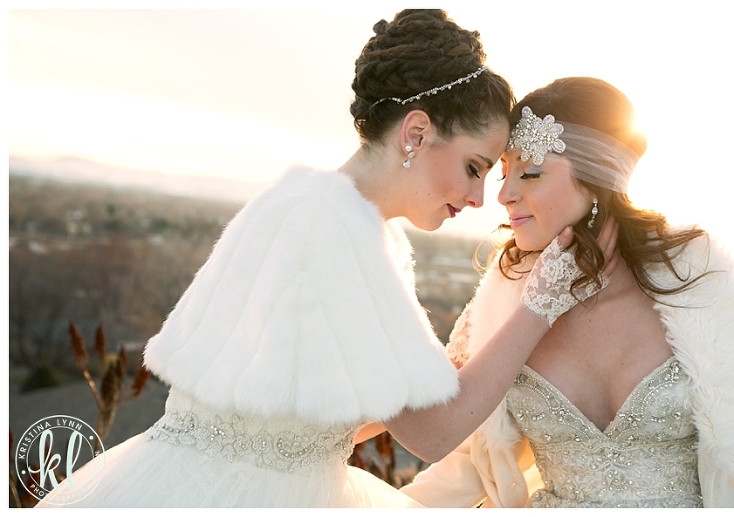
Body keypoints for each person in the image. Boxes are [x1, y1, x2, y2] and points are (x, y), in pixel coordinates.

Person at [35, 13, 615, 508]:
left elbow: (309, 416)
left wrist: (447, 364)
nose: (477, 198)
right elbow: (432, 433)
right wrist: (539, 305)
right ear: (415, 133)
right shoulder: (336, 229)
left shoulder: (320, 210)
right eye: (474, 167)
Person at [400, 76, 734, 508]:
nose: (505, 194)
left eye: (530, 173)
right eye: (505, 173)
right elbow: (462, 450)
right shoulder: (505, 299)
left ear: (597, 179)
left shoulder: (705, 289)